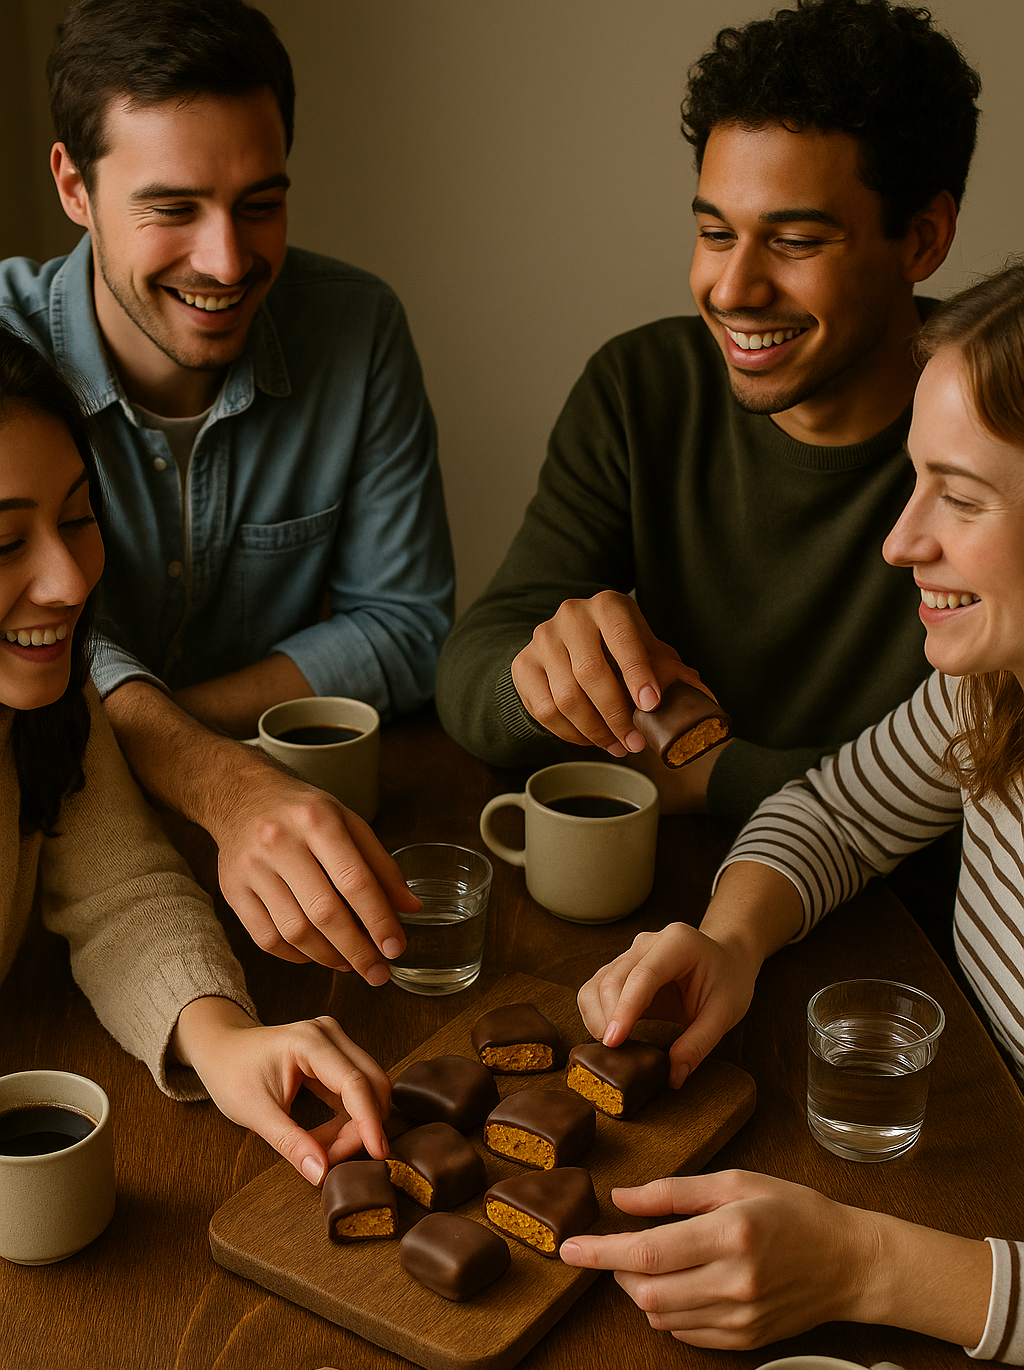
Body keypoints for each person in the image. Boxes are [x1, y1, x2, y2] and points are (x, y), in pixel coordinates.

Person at [560, 264, 1024, 1366]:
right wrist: (729, 940)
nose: (900, 541)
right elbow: (836, 813)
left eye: (959, 498)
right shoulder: (989, 686)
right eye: (914, 484)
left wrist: (867, 1267)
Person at [434, 0, 980, 828]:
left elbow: (980, 798)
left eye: (794, 242)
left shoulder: (999, 426)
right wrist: (543, 676)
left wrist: (712, 773)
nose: (731, 290)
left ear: (923, 239)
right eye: (716, 233)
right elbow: (474, 671)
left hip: (899, 940)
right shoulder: (642, 385)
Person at [0, 0, 455, 985]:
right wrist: (219, 776)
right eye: (173, 208)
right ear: (74, 187)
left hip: (289, 845)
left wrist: (167, 733)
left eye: (260, 203)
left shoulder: (359, 327)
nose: (228, 261)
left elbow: (411, 625)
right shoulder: (2, 348)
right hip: (42, 878)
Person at [0, 322, 392, 1186]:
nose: (69, 582)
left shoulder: (54, 704)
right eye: (5, 544)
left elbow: (119, 897)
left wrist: (223, 1041)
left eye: (77, 517)